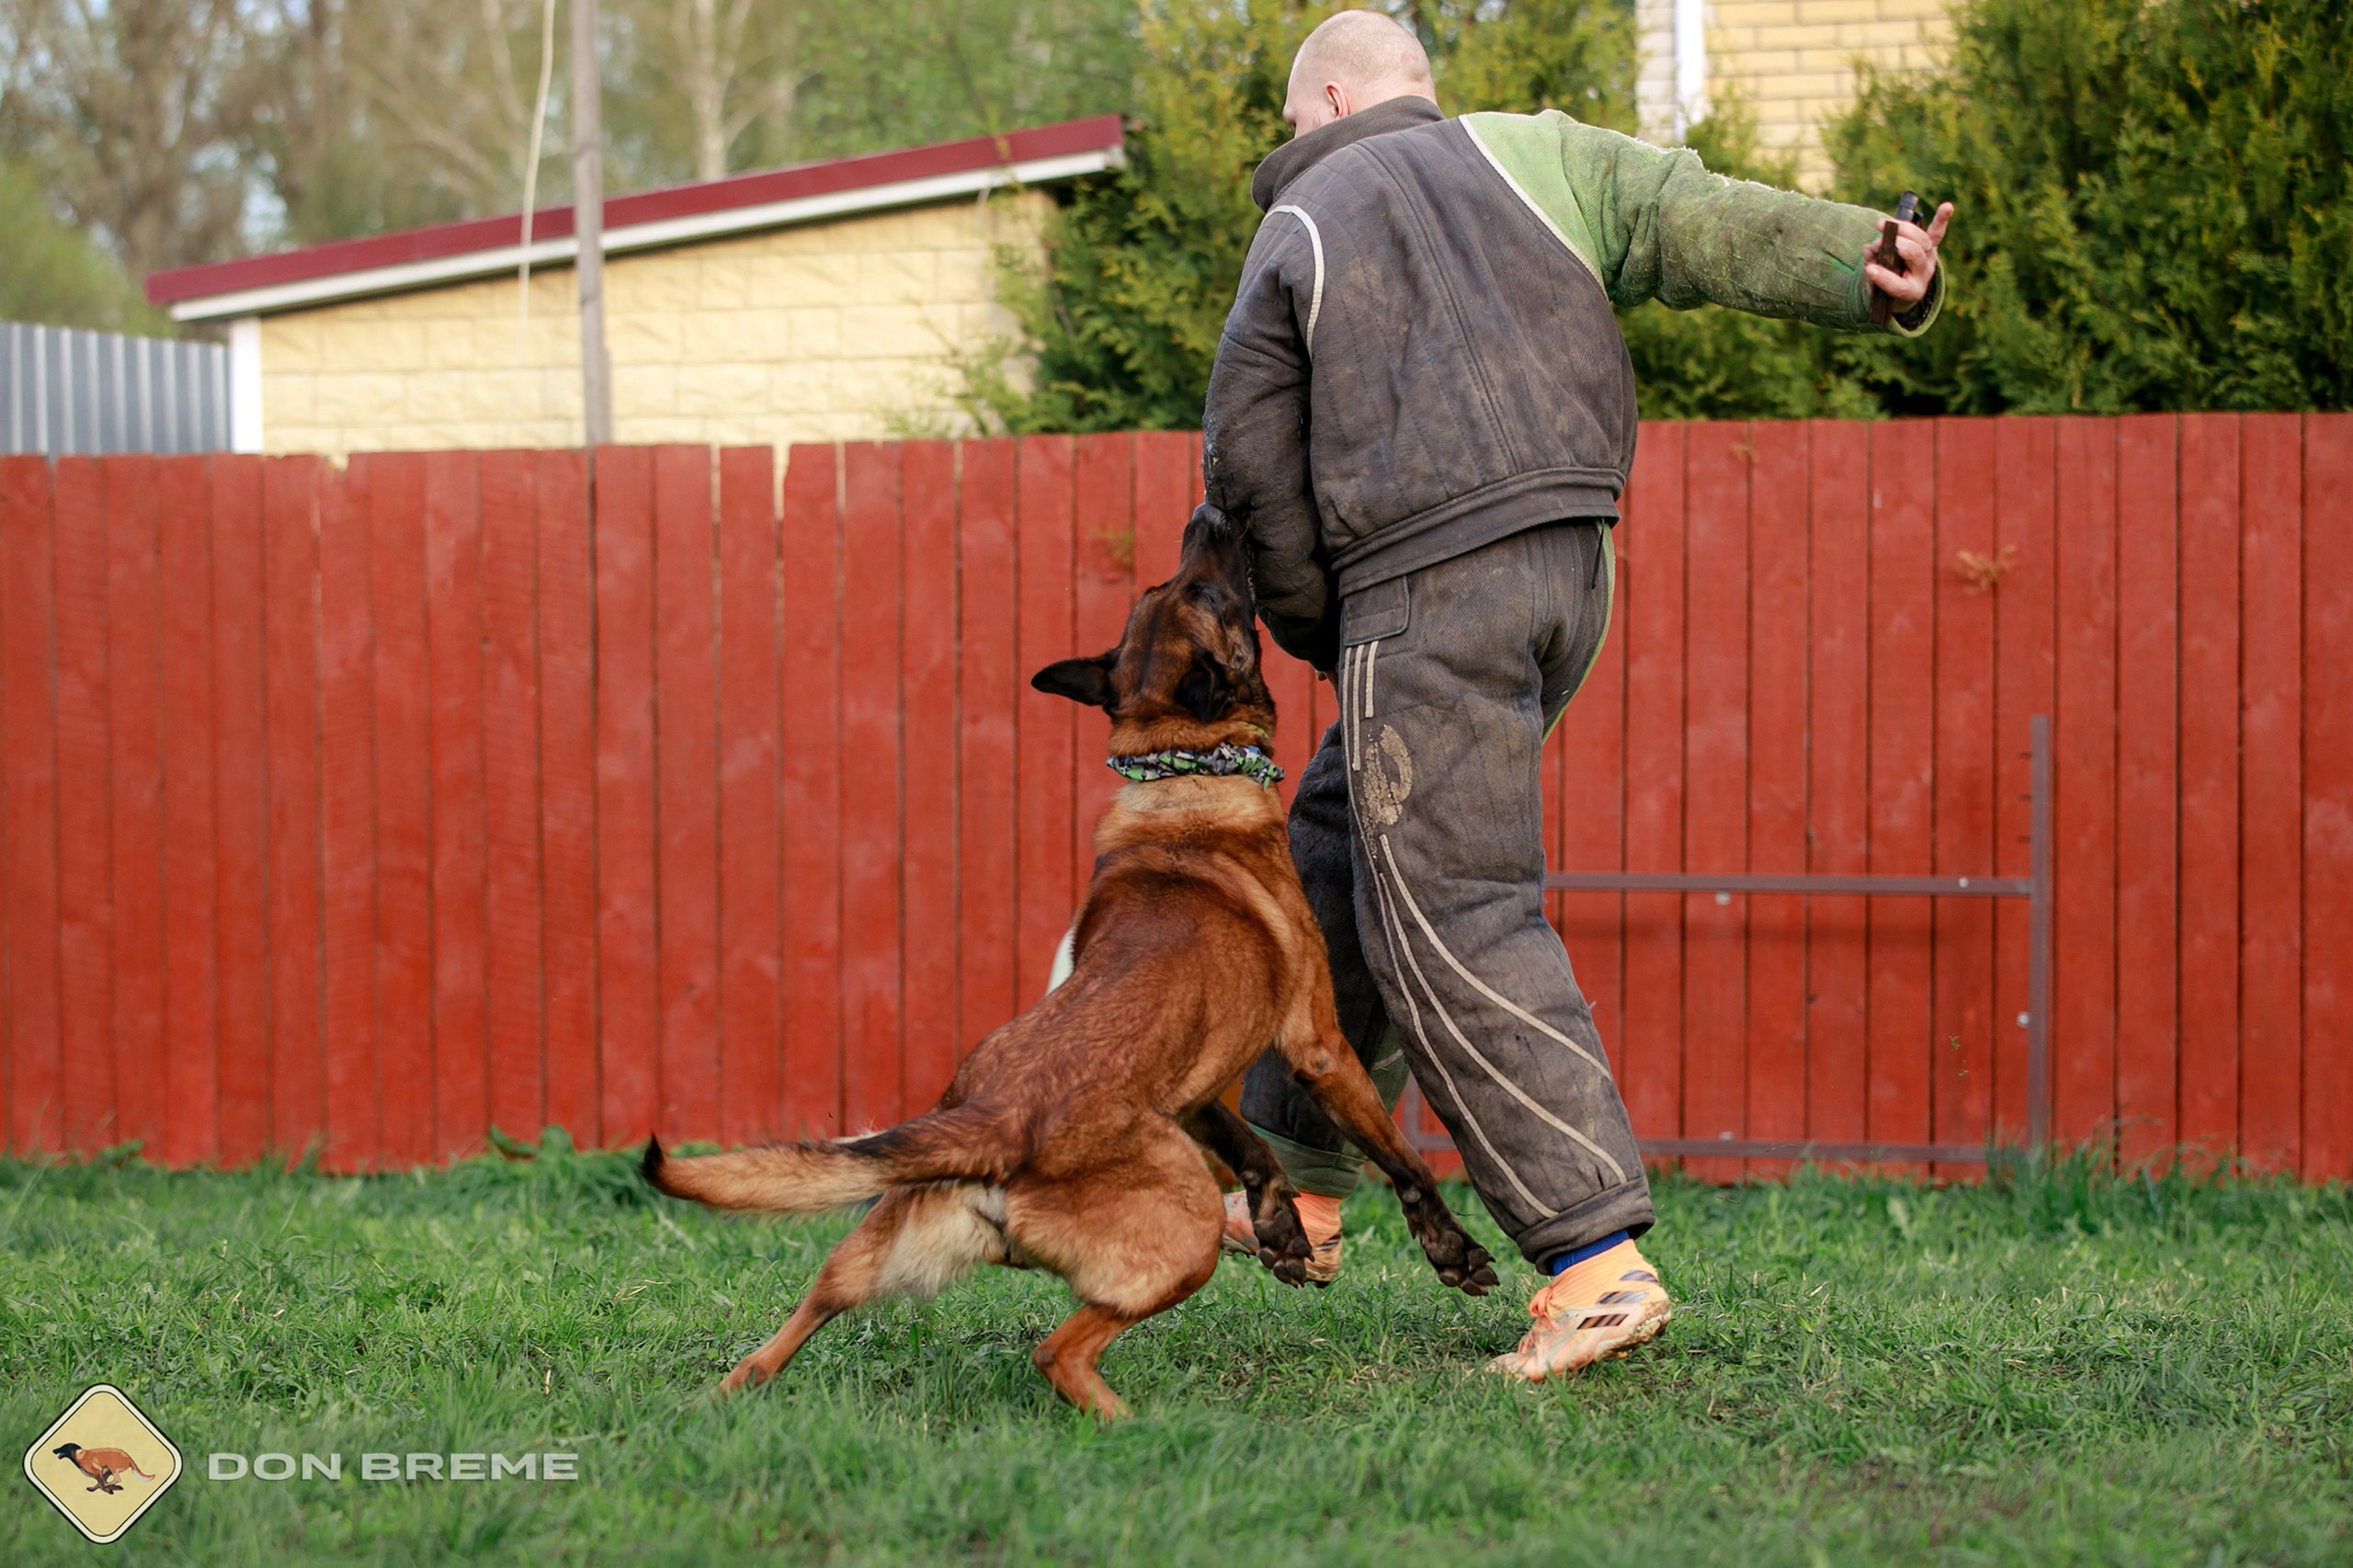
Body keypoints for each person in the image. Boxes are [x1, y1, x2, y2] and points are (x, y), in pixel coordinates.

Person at [1204, 10, 1950, 1381]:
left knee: (1454, 907)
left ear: (1322, 96)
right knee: (1342, 831)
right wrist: (1864, 261)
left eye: (1291, 117)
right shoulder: (1539, 152)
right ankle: (1299, 1189)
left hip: (1431, 583)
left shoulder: (1303, 216)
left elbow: (1249, 467)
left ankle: (1594, 1261)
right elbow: (1691, 212)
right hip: (1572, 576)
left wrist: (1329, 629)